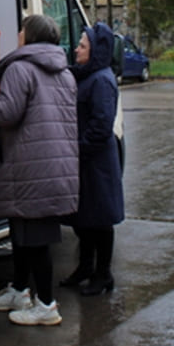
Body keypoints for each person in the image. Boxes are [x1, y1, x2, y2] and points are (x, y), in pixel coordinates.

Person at [0, 14, 79, 324]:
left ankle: (46, 306)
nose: (17, 33)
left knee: (35, 238)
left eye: (22, 29)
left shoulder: (20, 68)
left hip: (31, 168)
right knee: (23, 234)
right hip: (54, 165)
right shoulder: (64, 72)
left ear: (30, 36)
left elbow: (5, 113)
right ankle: (20, 290)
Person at [61, 22, 124, 296]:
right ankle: (85, 268)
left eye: (83, 46)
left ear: (96, 51)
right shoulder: (87, 75)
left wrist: (78, 149)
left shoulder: (101, 80)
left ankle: (103, 274)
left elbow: (101, 124)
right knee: (83, 219)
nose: (76, 49)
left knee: (99, 220)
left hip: (95, 161)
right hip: (85, 158)